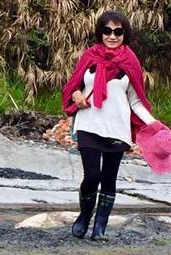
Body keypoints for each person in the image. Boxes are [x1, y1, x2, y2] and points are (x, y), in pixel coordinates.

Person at [62, 10, 156, 241]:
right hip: (89, 124)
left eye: (118, 31)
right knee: (92, 175)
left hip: (117, 129)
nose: (112, 36)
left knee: (109, 178)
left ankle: (100, 227)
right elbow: (74, 86)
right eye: (107, 31)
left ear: (125, 34)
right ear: (100, 32)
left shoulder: (130, 63)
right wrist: (75, 95)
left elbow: (136, 101)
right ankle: (84, 217)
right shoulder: (89, 57)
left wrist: (154, 124)